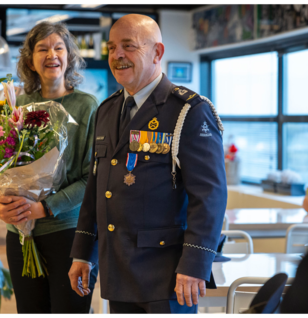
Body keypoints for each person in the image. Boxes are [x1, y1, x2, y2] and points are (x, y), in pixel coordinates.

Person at [69, 14, 226, 316]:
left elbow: (210, 196)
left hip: (167, 277)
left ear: (157, 53)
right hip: (118, 269)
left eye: (129, 46)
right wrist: (83, 253)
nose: (117, 55)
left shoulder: (189, 111)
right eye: (112, 47)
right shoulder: (107, 109)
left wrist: (195, 264)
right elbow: (96, 190)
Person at [0, 22, 99, 316]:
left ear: (70, 56)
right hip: (21, 235)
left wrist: (45, 208)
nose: (52, 55)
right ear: (30, 60)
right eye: (42, 49)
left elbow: (93, 179)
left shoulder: (87, 107)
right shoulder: (16, 106)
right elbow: (0, 167)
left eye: (59, 48)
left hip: (69, 233)